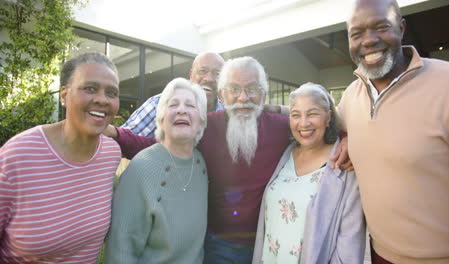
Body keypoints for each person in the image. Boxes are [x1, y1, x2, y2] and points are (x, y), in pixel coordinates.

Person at [106, 56, 351, 263]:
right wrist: (114, 133)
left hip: (265, 245)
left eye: (252, 89)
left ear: (263, 94)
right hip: (216, 247)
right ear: (223, 93)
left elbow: (312, 126)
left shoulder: (280, 127)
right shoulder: (206, 127)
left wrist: (346, 138)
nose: (243, 97)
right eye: (234, 89)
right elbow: (166, 146)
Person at [338, 0, 449, 263]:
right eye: (357, 33)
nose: (369, 40)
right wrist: (345, 138)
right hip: (380, 255)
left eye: (381, 27)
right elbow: (320, 122)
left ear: (401, 27)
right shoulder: (351, 96)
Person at [0, 53, 121, 263]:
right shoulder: (18, 156)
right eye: (90, 88)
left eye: (111, 93)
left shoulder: (111, 155)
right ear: (64, 95)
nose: (102, 99)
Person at [252, 83, 365, 264]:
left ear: (328, 118)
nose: (303, 123)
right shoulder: (285, 154)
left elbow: (350, 242)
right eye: (296, 115)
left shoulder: (344, 166)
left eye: (312, 114)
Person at [104, 78, 208, 263]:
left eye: (190, 105)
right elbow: (121, 250)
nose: (181, 110)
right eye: (173, 104)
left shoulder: (202, 163)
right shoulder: (141, 167)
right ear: (161, 118)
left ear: (201, 121)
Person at [121, 51, 225, 138]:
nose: (209, 78)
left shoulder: (227, 116)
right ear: (191, 75)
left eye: (217, 73)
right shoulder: (159, 104)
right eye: (203, 71)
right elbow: (123, 140)